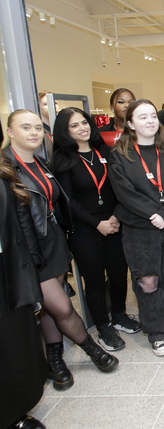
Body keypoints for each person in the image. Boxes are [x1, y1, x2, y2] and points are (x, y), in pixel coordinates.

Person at [4, 110, 118, 389]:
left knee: (48, 308)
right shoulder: (6, 167)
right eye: (25, 127)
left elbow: (56, 204)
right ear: (9, 132)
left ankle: (55, 360)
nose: (33, 133)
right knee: (62, 306)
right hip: (27, 249)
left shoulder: (41, 162)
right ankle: (92, 349)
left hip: (52, 241)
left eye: (37, 128)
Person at [52, 107, 141, 352]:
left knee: (118, 272)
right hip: (84, 229)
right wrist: (97, 224)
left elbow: (118, 187)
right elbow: (68, 201)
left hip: (113, 222)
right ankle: (103, 327)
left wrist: (115, 217)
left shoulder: (104, 151)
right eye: (74, 125)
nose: (82, 128)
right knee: (93, 280)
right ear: (65, 131)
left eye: (84, 122)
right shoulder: (63, 159)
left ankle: (119, 315)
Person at [109, 99, 164, 356]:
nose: (149, 121)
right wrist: (155, 215)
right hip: (140, 230)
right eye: (142, 117)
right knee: (148, 281)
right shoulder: (119, 155)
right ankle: (156, 331)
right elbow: (126, 194)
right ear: (131, 124)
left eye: (153, 116)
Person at [0, 124, 48, 429]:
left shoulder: (6, 172)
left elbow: (21, 222)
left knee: (13, 341)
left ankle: (13, 412)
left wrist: (32, 263)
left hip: (8, 271)